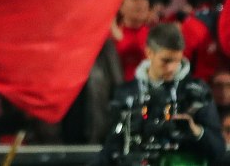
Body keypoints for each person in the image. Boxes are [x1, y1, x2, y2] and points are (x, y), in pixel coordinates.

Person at [93, 23, 226, 165]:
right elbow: (110, 148)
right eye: (166, 61)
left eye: (177, 60)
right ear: (149, 53)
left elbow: (218, 150)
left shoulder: (195, 92)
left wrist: (196, 131)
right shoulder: (128, 93)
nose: (171, 68)